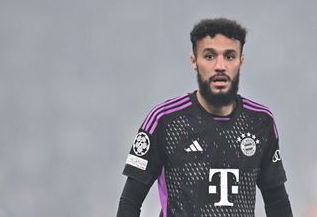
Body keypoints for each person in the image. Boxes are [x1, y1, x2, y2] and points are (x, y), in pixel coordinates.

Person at [117, 18, 293, 217]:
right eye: (209, 56)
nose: (220, 66)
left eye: (229, 56)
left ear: (241, 61)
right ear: (194, 61)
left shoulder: (261, 121)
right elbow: (130, 203)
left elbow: (277, 202)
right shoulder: (164, 120)